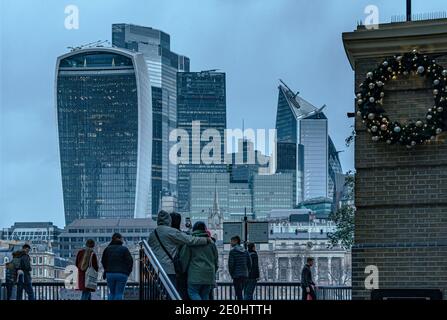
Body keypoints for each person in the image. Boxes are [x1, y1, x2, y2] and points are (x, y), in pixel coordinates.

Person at [148, 210, 210, 287]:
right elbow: (190, 240)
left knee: (158, 292)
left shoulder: (153, 234)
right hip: (169, 269)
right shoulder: (171, 232)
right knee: (170, 292)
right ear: (168, 220)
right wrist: (206, 240)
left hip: (155, 268)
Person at [178, 222, 218, 301]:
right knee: (205, 294)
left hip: (195, 274)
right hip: (209, 274)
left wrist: (182, 270)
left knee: (192, 292)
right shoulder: (212, 243)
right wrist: (214, 271)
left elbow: (184, 259)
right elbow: (215, 260)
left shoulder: (191, 242)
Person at [101, 233, 133, 300]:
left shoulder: (107, 249)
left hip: (110, 273)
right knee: (119, 293)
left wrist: (106, 270)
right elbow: (130, 262)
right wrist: (127, 272)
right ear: (120, 239)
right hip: (122, 274)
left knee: (112, 293)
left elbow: (103, 261)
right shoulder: (124, 249)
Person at [228, 236, 252, 300]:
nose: (230, 243)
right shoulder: (245, 251)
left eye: (231, 241)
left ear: (236, 241)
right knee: (240, 292)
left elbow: (231, 265)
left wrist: (232, 274)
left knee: (238, 293)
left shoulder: (232, 252)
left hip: (236, 276)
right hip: (244, 275)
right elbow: (249, 263)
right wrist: (247, 272)